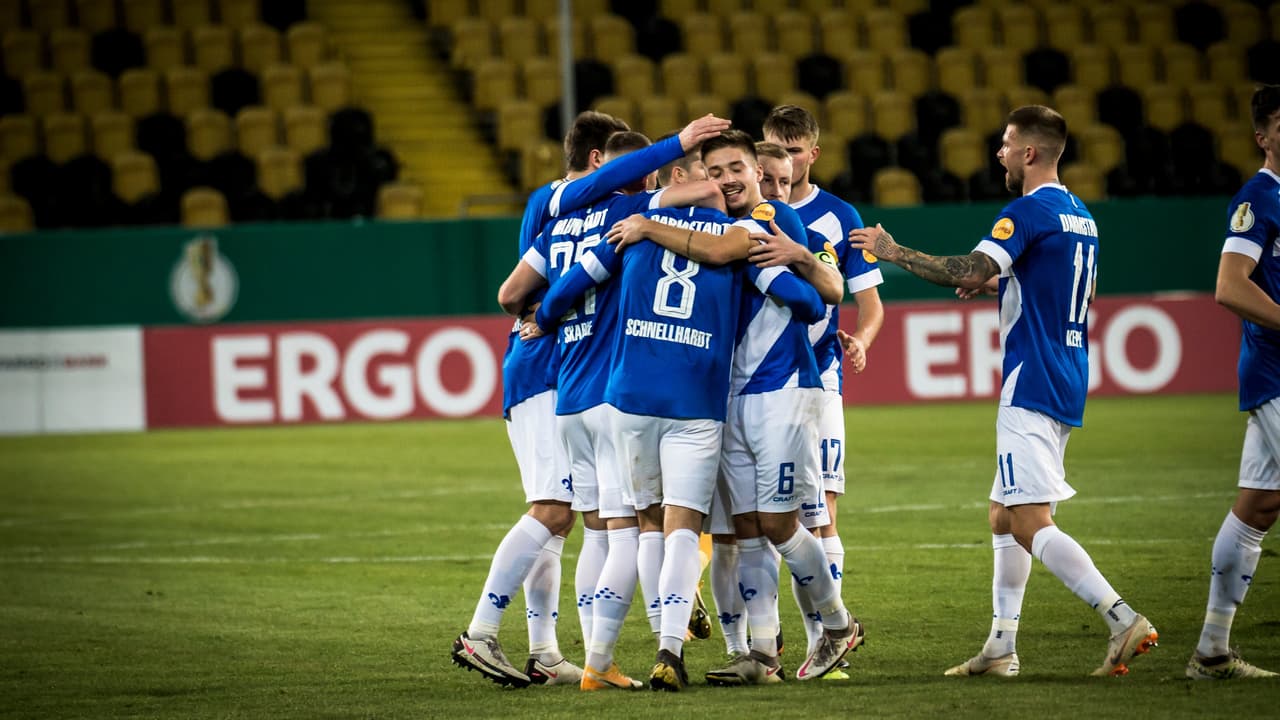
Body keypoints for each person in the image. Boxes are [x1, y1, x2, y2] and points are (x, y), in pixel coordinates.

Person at [848, 105, 1158, 678]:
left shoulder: (1027, 211)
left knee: (1027, 519)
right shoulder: (1080, 214)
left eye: (1007, 143)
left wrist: (896, 253)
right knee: (1001, 514)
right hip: (1067, 370)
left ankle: (1121, 618)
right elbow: (1057, 281)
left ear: (1030, 154)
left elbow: (964, 267)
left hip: (1032, 376)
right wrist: (1001, 282)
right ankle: (1000, 646)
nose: (999, 153)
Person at [452, 111, 730, 688]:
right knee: (580, 517)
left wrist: (545, 310)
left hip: (558, 378)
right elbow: (700, 190)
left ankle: (548, 652)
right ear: (603, 162)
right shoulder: (585, 205)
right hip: (565, 378)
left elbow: (510, 294)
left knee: (572, 525)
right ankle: (485, 633)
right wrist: (689, 156)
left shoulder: (556, 224)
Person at [763, 105, 885, 668]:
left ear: (812, 153)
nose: (781, 161)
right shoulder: (740, 209)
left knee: (819, 511)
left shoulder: (839, 216)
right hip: (759, 381)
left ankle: (824, 638)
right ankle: (770, 637)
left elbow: (870, 303)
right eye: (773, 148)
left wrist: (860, 339)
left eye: (792, 150)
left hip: (818, 376)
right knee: (761, 519)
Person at [1187, 83, 1280, 681]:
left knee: (1259, 507)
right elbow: (1230, 285)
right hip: (1275, 371)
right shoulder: (1259, 198)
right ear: (1263, 136)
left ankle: (1212, 651)